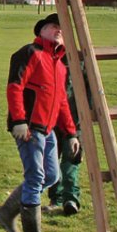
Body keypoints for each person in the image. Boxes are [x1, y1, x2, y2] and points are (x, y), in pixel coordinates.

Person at [0, 13, 80, 232]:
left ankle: (5, 213)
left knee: (52, 176)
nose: (59, 31)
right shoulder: (29, 53)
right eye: (54, 26)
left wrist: (71, 133)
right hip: (30, 128)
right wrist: (19, 120)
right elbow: (14, 88)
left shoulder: (59, 65)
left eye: (62, 28)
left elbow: (62, 101)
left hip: (49, 129)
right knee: (35, 178)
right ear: (41, 30)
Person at [47, 74, 83, 216]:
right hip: (53, 120)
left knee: (71, 161)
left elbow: (89, 89)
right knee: (52, 160)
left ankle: (70, 199)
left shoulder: (80, 64)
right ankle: (56, 199)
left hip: (74, 121)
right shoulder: (52, 59)